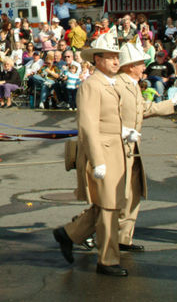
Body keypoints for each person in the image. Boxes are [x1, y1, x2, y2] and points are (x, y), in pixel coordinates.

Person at [52, 34, 131, 277]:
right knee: (108, 208)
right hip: (102, 153)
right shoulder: (91, 85)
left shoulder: (113, 83)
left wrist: (126, 129)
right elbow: (87, 125)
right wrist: (97, 160)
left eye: (117, 57)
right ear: (97, 60)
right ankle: (107, 260)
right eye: (111, 57)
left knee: (109, 204)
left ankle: (69, 233)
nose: (116, 61)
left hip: (116, 150)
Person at [115, 41, 174, 252]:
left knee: (133, 192)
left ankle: (123, 238)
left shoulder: (131, 85)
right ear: (130, 65)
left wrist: (171, 104)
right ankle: (82, 232)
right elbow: (109, 115)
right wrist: (121, 130)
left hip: (132, 147)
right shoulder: (119, 84)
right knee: (116, 195)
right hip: (119, 148)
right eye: (141, 63)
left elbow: (143, 108)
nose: (144, 68)